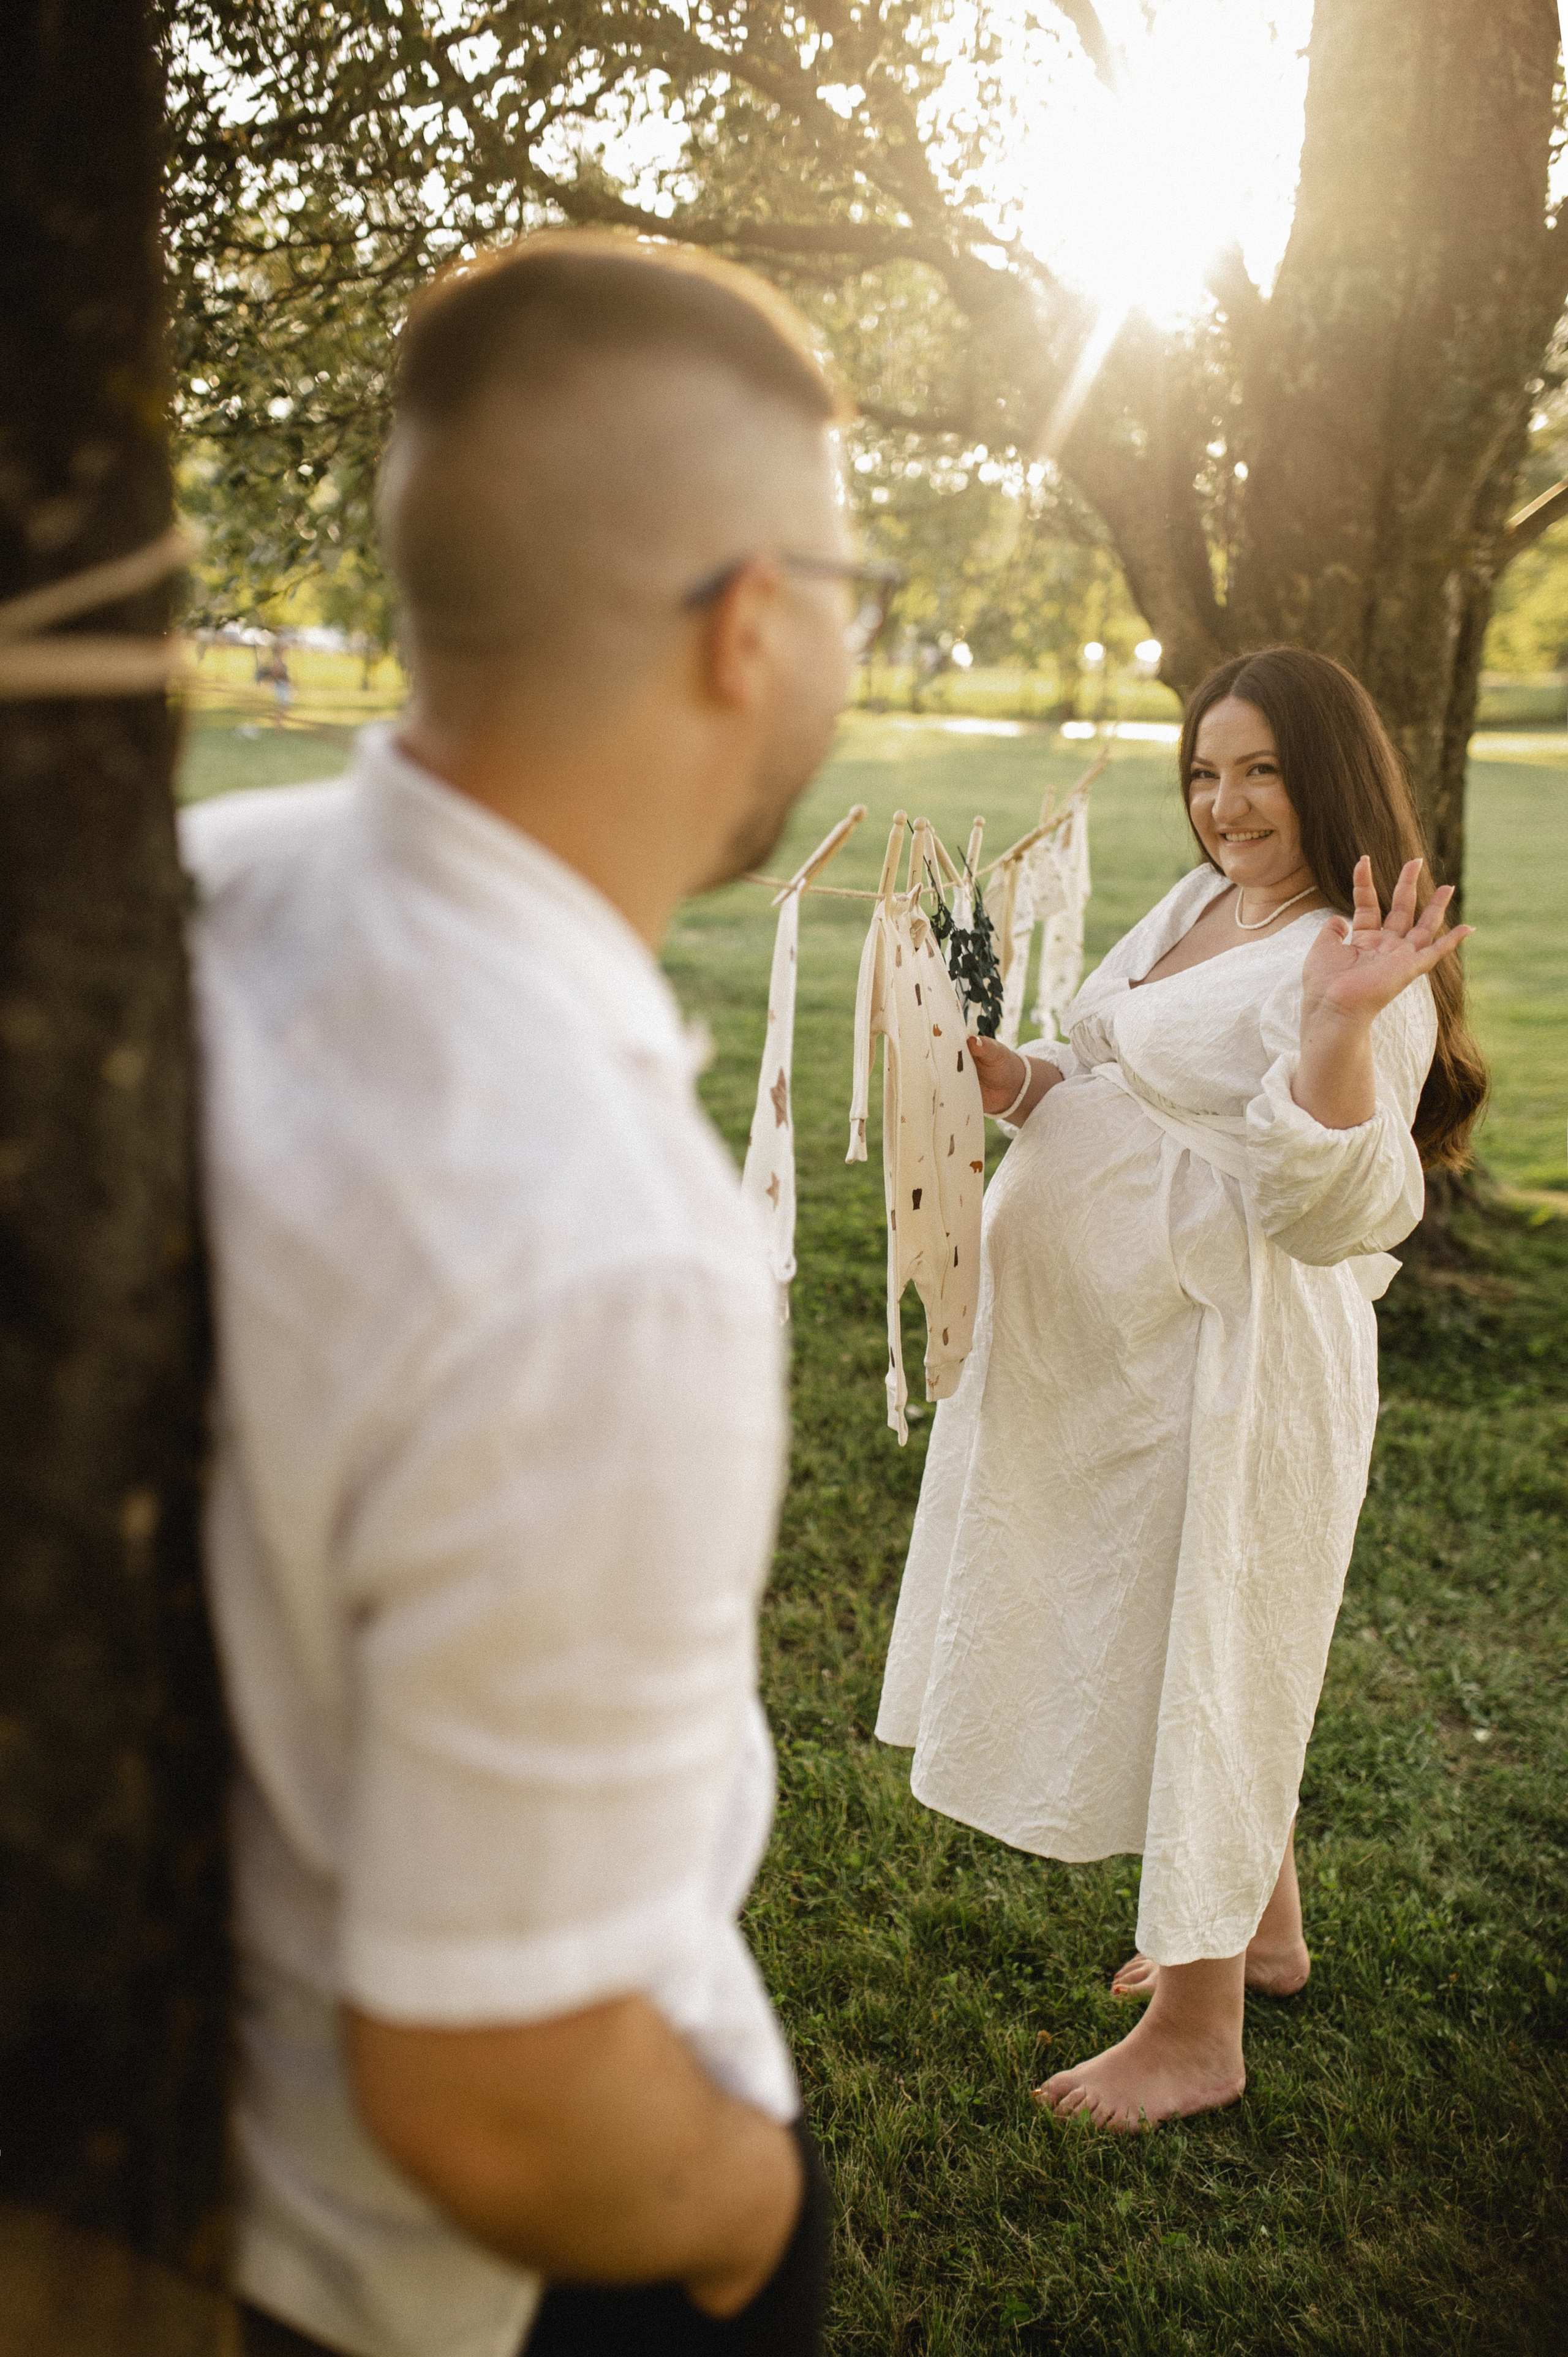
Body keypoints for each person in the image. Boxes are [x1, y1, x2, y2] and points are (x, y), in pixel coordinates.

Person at [183, 231, 884, 2356]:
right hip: (406, 2278)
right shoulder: (603, 1245)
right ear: (751, 624)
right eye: (855, 592)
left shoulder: (200, 889)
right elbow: (500, 2089)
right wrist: (762, 2219)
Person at [875, 646, 1488, 2132]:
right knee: (1169, 1626)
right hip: (1113, 1358)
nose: (1223, 802)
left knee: (1215, 1633)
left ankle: (1194, 2029)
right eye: (1203, 771)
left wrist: (1339, 1027)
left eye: (1259, 770)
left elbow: (1337, 1205)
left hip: (1232, 1356)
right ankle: (1259, 1927)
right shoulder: (1204, 904)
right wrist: (1009, 1079)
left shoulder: (1351, 953)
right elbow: (1123, 1079)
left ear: (1328, 773)